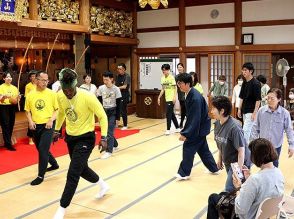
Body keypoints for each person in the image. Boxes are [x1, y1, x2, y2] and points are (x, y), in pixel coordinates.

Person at [53, 68, 109, 219]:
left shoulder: (88, 96)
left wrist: (104, 137)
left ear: (75, 85)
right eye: (65, 90)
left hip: (86, 138)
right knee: (81, 169)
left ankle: (62, 208)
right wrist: (57, 130)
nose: (68, 93)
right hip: (71, 138)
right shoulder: (60, 95)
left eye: (70, 90)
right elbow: (62, 113)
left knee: (73, 173)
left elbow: (102, 116)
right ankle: (103, 185)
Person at [207, 138, 284, 219]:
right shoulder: (279, 173)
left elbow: (240, 210)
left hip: (248, 216)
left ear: (256, 157)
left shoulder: (255, 180)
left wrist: (238, 188)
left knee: (213, 198)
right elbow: (263, 187)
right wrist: (248, 179)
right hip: (264, 215)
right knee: (223, 195)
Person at [175, 73, 218, 180]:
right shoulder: (190, 94)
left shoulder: (195, 97)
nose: (179, 85)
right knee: (203, 150)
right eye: (178, 83)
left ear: (188, 84)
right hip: (200, 127)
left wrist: (185, 134)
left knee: (188, 147)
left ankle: (184, 173)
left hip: (198, 128)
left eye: (180, 83)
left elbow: (194, 118)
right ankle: (214, 168)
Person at [25, 71, 59, 185]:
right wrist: (30, 121)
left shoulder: (52, 94)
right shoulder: (30, 94)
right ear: (37, 80)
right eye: (43, 80)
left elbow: (57, 110)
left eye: (47, 80)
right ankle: (54, 164)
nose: (46, 82)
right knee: (40, 148)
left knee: (43, 150)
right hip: (35, 126)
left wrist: (51, 120)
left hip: (48, 125)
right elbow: (27, 110)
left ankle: (40, 176)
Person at [250, 88, 294, 167]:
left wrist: (291, 145)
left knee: (275, 165)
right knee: (262, 165)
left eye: (272, 98)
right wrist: (253, 143)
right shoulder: (261, 111)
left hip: (276, 146)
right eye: (268, 98)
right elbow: (255, 127)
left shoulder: (284, 113)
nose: (269, 100)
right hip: (262, 145)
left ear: (279, 99)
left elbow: (289, 130)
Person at [211, 96, 245, 192]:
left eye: (213, 108)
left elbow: (241, 151)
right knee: (236, 188)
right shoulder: (217, 124)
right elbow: (220, 142)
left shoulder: (235, 128)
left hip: (238, 162)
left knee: (229, 188)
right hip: (228, 161)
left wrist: (238, 172)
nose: (211, 111)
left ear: (222, 111)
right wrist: (220, 157)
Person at [97, 71, 121, 159]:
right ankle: (115, 145)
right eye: (104, 79)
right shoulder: (101, 88)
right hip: (104, 111)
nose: (105, 81)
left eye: (107, 80)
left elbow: (119, 105)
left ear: (111, 79)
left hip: (113, 112)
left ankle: (109, 151)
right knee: (107, 131)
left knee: (109, 132)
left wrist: (118, 118)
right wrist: (99, 115)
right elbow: (99, 102)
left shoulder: (116, 89)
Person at [237, 62, 261, 145]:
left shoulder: (256, 83)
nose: (243, 72)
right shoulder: (244, 82)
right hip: (244, 110)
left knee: (245, 131)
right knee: (249, 132)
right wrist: (239, 109)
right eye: (242, 70)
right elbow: (241, 97)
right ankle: (251, 150)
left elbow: (258, 100)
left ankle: (244, 151)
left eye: (245, 70)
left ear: (251, 71)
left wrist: (255, 112)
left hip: (251, 111)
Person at [158, 64, 180, 135]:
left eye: (165, 70)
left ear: (168, 70)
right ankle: (177, 128)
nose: (164, 71)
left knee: (168, 114)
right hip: (166, 98)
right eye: (163, 70)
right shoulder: (162, 78)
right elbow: (163, 89)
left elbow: (175, 88)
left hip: (171, 98)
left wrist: (174, 97)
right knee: (171, 114)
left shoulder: (171, 78)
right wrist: (159, 97)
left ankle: (168, 129)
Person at [0, 72, 20, 151]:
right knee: (5, 124)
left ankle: (7, 142)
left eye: (10, 77)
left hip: (12, 107)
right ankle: (8, 144)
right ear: (4, 78)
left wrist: (16, 98)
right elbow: (1, 99)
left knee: (11, 124)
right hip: (3, 107)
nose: (9, 78)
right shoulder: (1, 87)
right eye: (7, 77)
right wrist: (4, 97)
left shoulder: (15, 88)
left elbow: (15, 101)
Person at [115, 63, 131, 130]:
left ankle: (125, 125)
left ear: (124, 69)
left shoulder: (127, 76)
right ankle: (116, 124)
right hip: (118, 94)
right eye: (118, 69)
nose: (119, 70)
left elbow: (124, 86)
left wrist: (116, 88)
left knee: (123, 110)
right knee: (117, 109)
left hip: (124, 95)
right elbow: (115, 84)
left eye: (120, 69)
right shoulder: (117, 76)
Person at [24, 70, 37, 145]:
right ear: (30, 77)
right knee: (31, 122)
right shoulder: (28, 86)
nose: (33, 77)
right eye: (32, 76)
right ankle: (30, 138)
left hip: (38, 106)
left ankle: (36, 137)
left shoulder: (39, 84)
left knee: (37, 122)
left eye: (35, 76)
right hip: (31, 106)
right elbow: (26, 97)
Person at [177, 63, 186, 128]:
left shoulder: (186, 76)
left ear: (183, 68)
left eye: (180, 67)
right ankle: (181, 123)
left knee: (187, 109)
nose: (179, 68)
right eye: (178, 67)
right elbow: (175, 86)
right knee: (183, 109)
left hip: (186, 94)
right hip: (180, 94)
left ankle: (184, 123)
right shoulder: (176, 76)